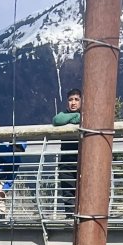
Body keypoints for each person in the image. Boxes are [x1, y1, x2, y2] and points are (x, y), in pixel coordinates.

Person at [53, 89, 82, 217]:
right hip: (67, 161)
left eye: (76, 99)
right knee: (68, 191)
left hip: (83, 160)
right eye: (70, 100)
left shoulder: (86, 114)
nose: (73, 103)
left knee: (84, 191)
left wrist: (74, 118)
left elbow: (84, 118)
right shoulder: (64, 114)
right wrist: (74, 117)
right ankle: (70, 217)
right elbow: (57, 120)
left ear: (82, 101)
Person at [0, 135, 26, 218]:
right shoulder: (3, 148)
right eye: (16, 146)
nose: (16, 149)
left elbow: (12, 175)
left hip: (2, 179)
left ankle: (0, 214)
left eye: (19, 148)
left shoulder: (16, 160)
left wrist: (6, 187)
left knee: (1, 196)